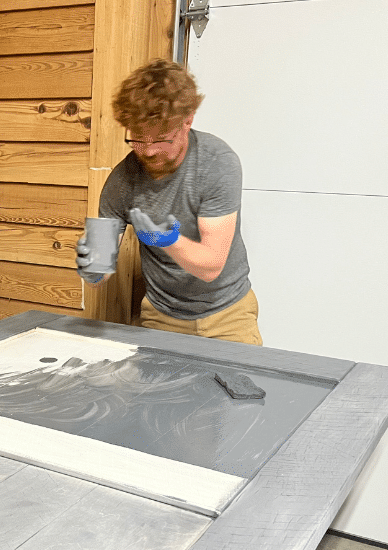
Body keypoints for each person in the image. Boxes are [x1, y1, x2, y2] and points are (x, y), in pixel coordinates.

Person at [76, 59, 262, 345]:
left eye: (160, 139)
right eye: (137, 139)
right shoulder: (122, 180)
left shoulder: (217, 163)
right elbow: (97, 272)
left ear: (187, 121)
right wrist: (90, 265)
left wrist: (166, 240)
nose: (148, 151)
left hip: (227, 315)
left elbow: (211, 266)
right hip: (160, 316)